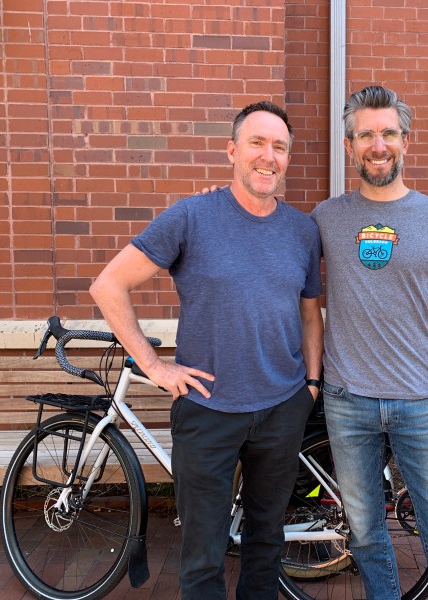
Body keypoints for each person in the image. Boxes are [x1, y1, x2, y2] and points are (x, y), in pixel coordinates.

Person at [89, 101, 323, 600]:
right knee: (202, 550)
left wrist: (312, 384)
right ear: (232, 151)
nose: (268, 156)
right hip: (206, 409)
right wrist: (152, 365)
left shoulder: (303, 231)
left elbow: (309, 313)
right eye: (257, 143)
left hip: (282, 406)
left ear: (287, 159)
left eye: (279, 147)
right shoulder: (192, 217)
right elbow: (109, 285)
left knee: (267, 543)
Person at [311, 85, 428, 598]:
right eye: (366, 135)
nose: (377, 145)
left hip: (421, 403)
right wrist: (213, 202)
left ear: (406, 140)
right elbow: (263, 233)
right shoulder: (324, 219)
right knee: (365, 535)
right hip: (346, 400)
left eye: (387, 133)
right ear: (349, 145)